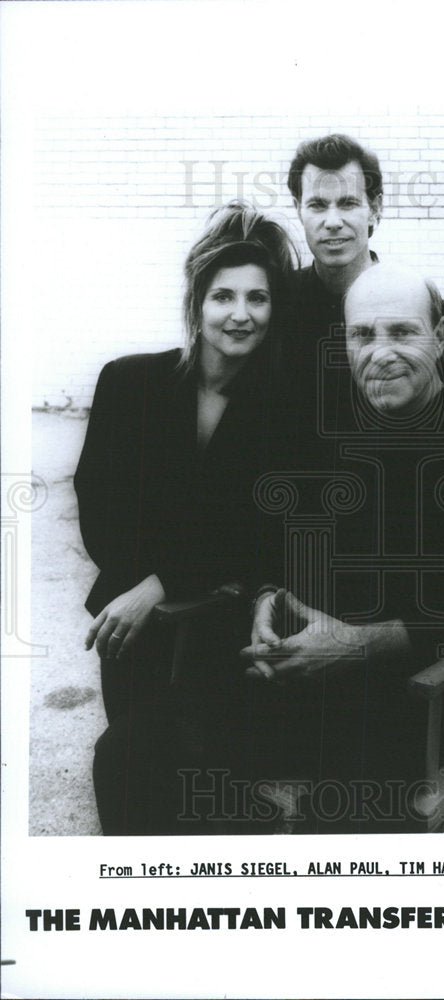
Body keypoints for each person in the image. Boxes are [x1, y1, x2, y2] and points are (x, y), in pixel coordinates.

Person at [241, 264, 444, 833]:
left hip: (418, 695)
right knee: (139, 751)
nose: (380, 353)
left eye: (403, 333)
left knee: (342, 811)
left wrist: (363, 643)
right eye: (362, 335)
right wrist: (266, 600)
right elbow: (275, 541)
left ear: (443, 339)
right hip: (301, 677)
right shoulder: (326, 430)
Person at [75, 200, 297, 834]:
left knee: (195, 778)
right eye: (223, 296)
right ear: (197, 304)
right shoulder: (128, 383)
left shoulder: (280, 408)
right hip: (131, 620)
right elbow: (102, 507)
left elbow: (259, 528)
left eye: (258, 298)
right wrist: (142, 589)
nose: (240, 314)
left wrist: (163, 581)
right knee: (134, 769)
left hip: (220, 627)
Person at [280, 133, 444, 442]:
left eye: (348, 203)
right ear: (299, 208)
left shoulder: (415, 305)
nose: (333, 221)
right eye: (317, 205)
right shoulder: (278, 303)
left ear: (375, 208)